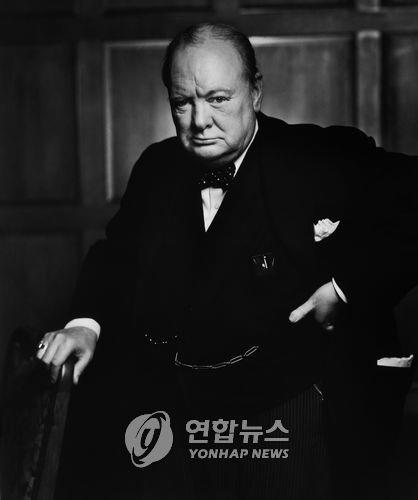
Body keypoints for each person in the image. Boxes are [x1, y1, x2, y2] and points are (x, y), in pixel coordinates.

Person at [38, 23, 418, 500]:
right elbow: (116, 256)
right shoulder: (156, 167)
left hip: (288, 411)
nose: (200, 121)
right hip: (176, 415)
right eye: (183, 102)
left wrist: (344, 288)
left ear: (255, 92)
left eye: (218, 99)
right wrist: (84, 326)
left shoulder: (318, 155)